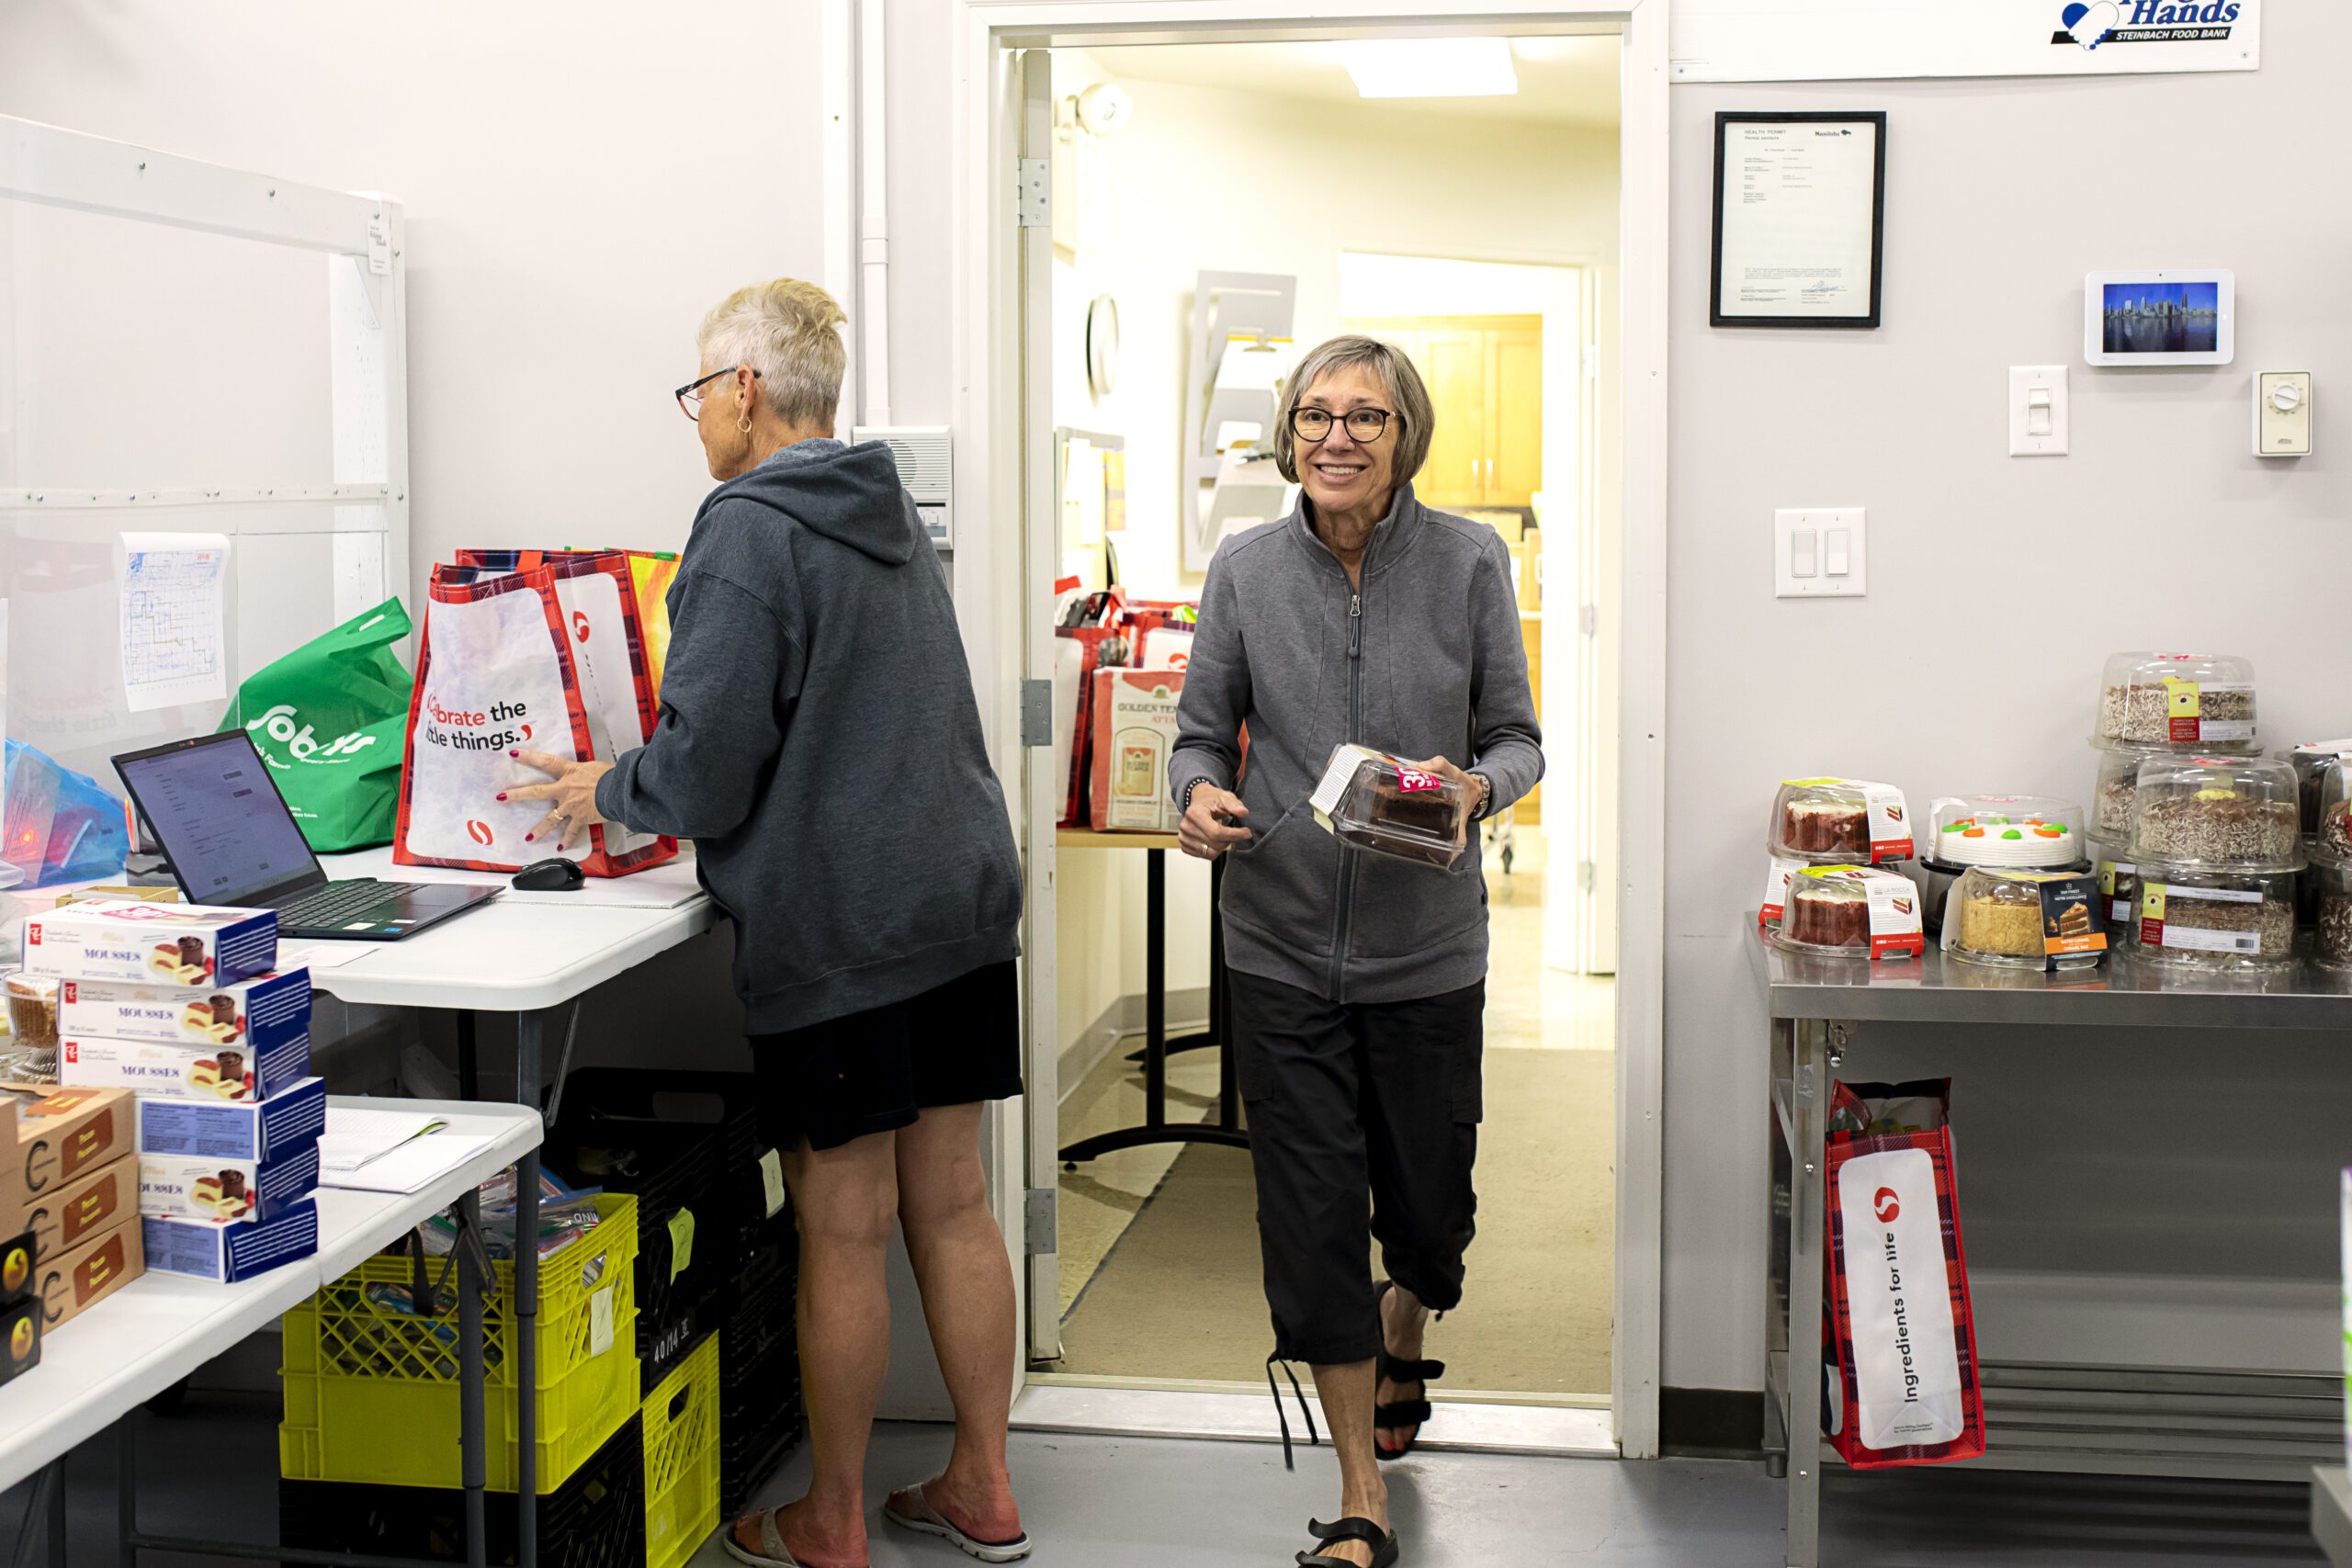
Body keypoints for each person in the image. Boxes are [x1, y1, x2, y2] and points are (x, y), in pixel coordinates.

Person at [505, 278, 1032, 1568]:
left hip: (847, 925)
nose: (694, 422)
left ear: (744, 389)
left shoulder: (743, 526)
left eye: (698, 393)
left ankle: (834, 1520)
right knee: (953, 1206)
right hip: (955, 899)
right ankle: (983, 1486)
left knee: (843, 1222)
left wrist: (602, 787)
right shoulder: (882, 503)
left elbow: (704, 768)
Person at [1167, 335, 1541, 1568]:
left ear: (1403, 438)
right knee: (1312, 1214)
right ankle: (1357, 1490)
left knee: (1431, 1216)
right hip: (1274, 941)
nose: (1337, 437)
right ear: (1290, 434)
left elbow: (1519, 740)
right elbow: (1195, 735)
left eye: (1366, 418)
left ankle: (1406, 1317)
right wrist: (1200, 792)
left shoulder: (1471, 562)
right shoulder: (1246, 566)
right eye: (1317, 415)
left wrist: (1479, 791)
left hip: (1427, 949)